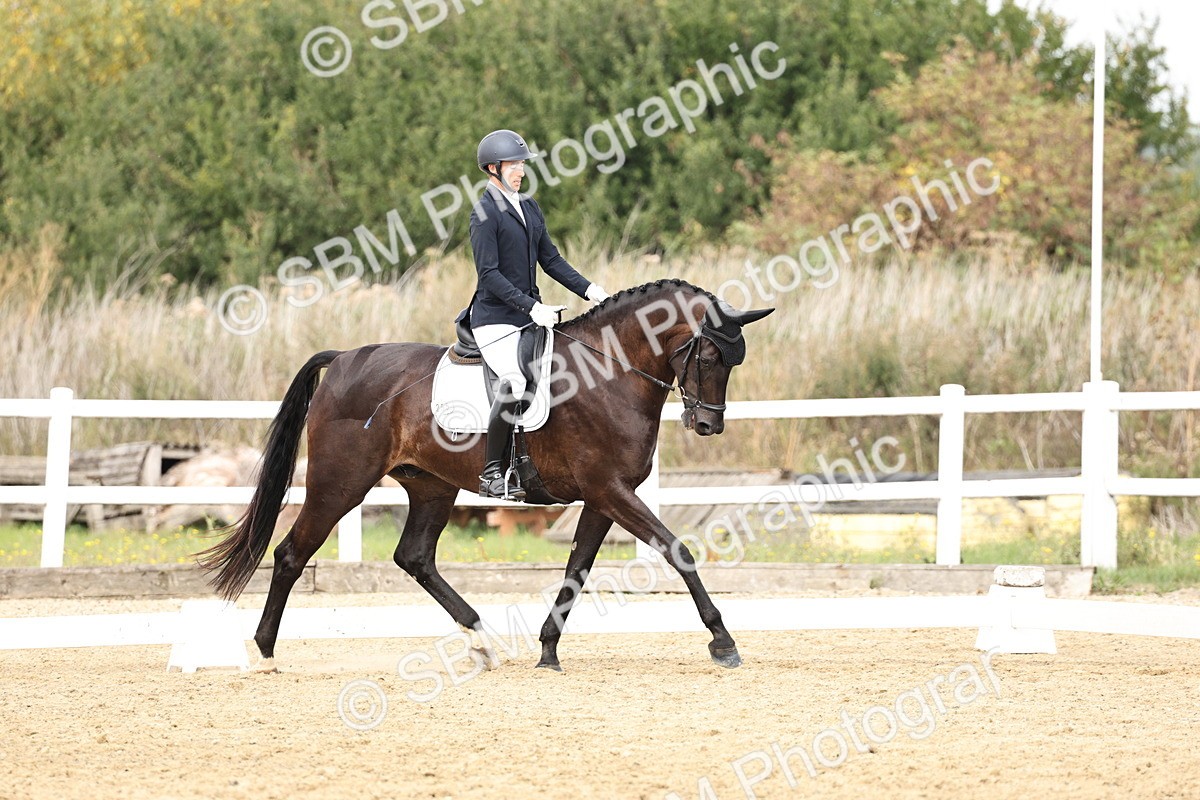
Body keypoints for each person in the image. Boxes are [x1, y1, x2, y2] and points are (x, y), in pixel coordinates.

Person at [463, 129, 609, 499]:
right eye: (514, 164)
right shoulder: (484, 214)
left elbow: (551, 259)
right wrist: (533, 307)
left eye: (522, 164)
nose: (521, 171)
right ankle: (492, 473)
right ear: (492, 168)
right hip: (494, 319)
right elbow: (489, 275)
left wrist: (591, 290)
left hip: (529, 316)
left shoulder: (528, 206)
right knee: (513, 381)